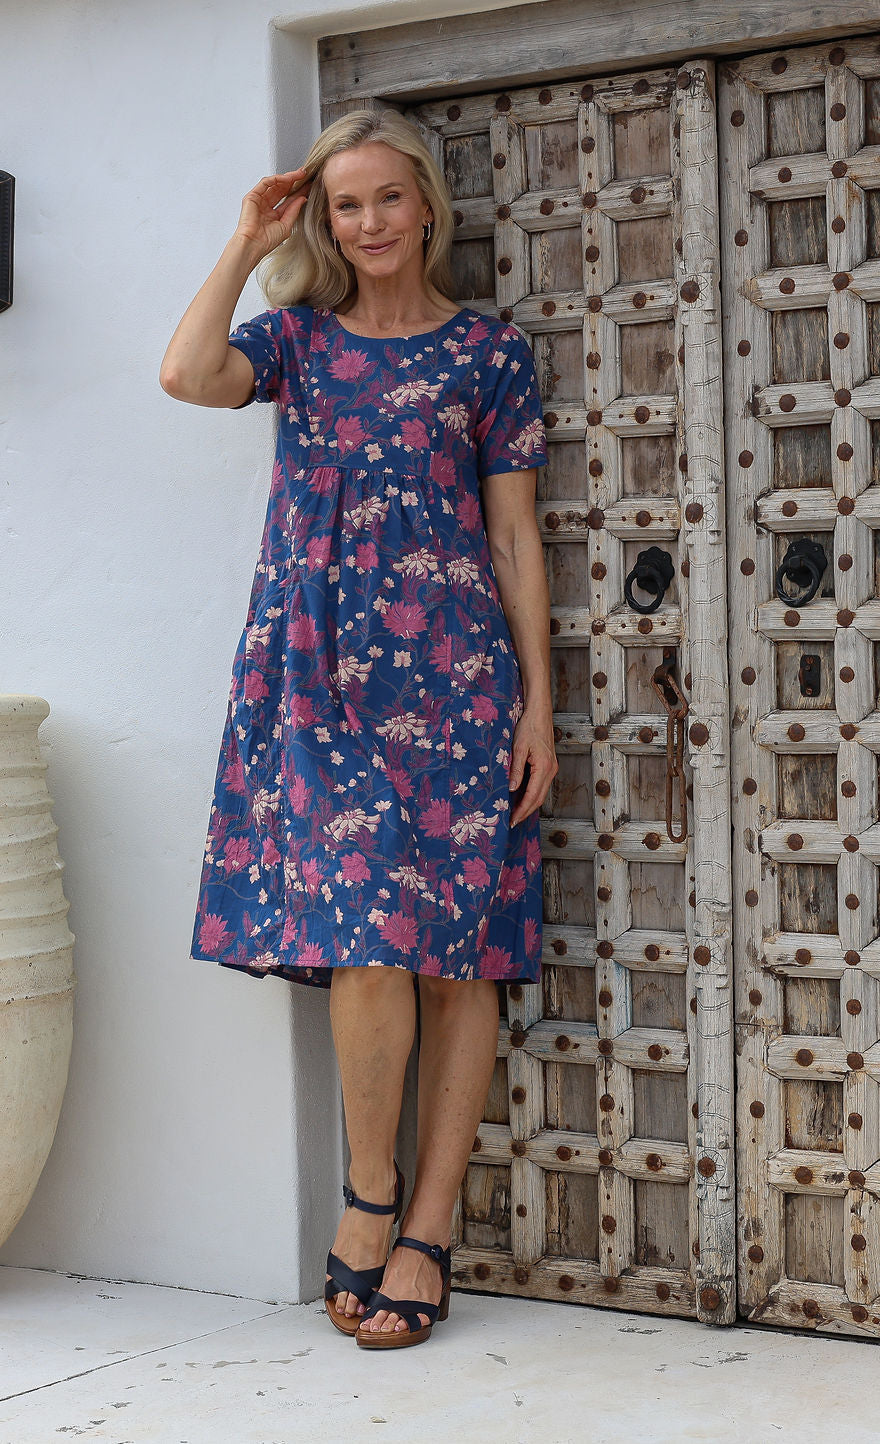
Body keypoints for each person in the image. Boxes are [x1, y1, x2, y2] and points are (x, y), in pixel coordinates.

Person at [160, 108, 556, 1350]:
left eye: (388, 198)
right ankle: (368, 1195)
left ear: (426, 207)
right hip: (321, 674)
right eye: (346, 205)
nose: (370, 223)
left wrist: (540, 701)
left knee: (460, 953)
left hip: (455, 676)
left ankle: (429, 1224)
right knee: (365, 934)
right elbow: (185, 373)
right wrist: (246, 237)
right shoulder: (295, 344)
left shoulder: (488, 355)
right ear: (323, 221)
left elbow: (513, 539)